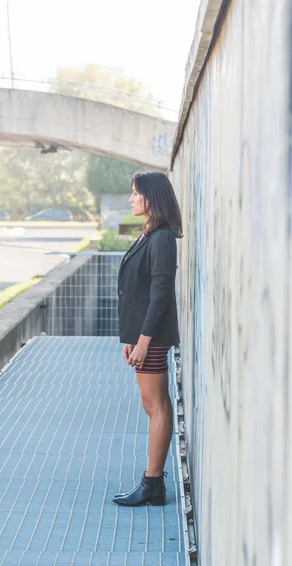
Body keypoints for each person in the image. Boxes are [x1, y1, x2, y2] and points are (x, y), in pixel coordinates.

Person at [113, 170, 183, 507]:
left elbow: (159, 293)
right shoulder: (150, 233)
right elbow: (138, 290)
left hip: (152, 336)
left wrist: (143, 340)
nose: (130, 199)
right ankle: (153, 483)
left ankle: (153, 482)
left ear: (151, 197)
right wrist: (132, 336)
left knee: (155, 405)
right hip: (144, 334)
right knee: (153, 404)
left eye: (135, 193)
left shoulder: (162, 238)